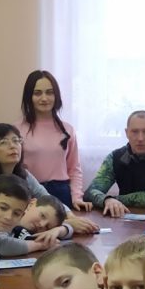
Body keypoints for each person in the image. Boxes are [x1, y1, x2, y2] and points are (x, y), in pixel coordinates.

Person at [0, 123, 99, 235]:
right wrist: (67, 225)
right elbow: (18, 219)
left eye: (16, 141)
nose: (12, 146)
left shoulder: (23, 174)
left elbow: (47, 198)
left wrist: (71, 217)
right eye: (4, 142)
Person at [16, 70, 92, 211]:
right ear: (29, 96)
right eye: (37, 93)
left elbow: (74, 169)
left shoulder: (68, 130)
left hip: (61, 194)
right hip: (30, 193)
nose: (44, 98)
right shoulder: (17, 130)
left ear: (56, 96)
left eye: (50, 92)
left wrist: (77, 197)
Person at [83, 110, 145, 217]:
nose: (140, 138)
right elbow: (90, 192)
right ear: (127, 133)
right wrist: (106, 200)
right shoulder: (115, 157)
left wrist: (113, 199)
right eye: (135, 132)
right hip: (122, 217)